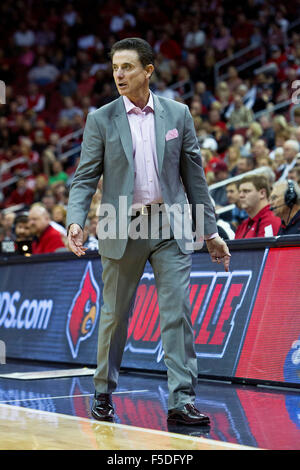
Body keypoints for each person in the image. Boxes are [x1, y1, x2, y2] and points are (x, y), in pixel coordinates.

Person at [67, 38, 230, 426]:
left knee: (177, 313)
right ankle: (103, 392)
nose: (119, 74)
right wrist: (75, 218)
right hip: (119, 222)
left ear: (148, 71)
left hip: (169, 225)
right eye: (115, 68)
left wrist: (210, 232)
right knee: (115, 315)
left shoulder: (178, 114)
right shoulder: (100, 119)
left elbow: (196, 179)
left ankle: (181, 399)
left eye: (127, 67)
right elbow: (85, 176)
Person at [235, 174, 281, 239]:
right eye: (239, 192)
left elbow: (266, 249)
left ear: (262, 193)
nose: (241, 195)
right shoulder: (243, 225)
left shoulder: (272, 220)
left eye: (246, 191)